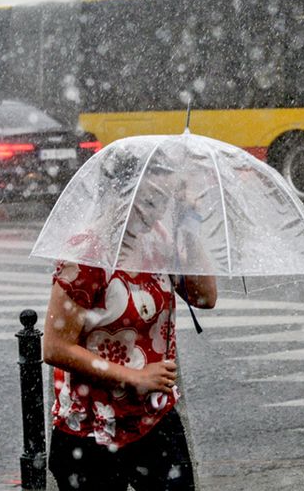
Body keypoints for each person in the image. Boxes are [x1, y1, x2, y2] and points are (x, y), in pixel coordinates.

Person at [42, 148, 217, 490]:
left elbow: (204, 297)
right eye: (150, 201)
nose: (157, 215)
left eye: (165, 201)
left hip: (154, 417)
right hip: (93, 429)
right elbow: (54, 347)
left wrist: (189, 226)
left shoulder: (159, 240)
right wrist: (132, 376)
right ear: (122, 194)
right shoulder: (87, 255)